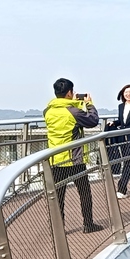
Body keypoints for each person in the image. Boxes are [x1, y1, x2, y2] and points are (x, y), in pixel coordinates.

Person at [44, 78, 103, 233]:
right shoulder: (74, 111)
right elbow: (92, 120)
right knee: (84, 192)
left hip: (55, 160)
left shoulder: (48, 111)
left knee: (58, 197)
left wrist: (74, 103)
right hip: (75, 159)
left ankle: (58, 229)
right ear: (70, 92)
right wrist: (88, 104)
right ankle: (88, 224)